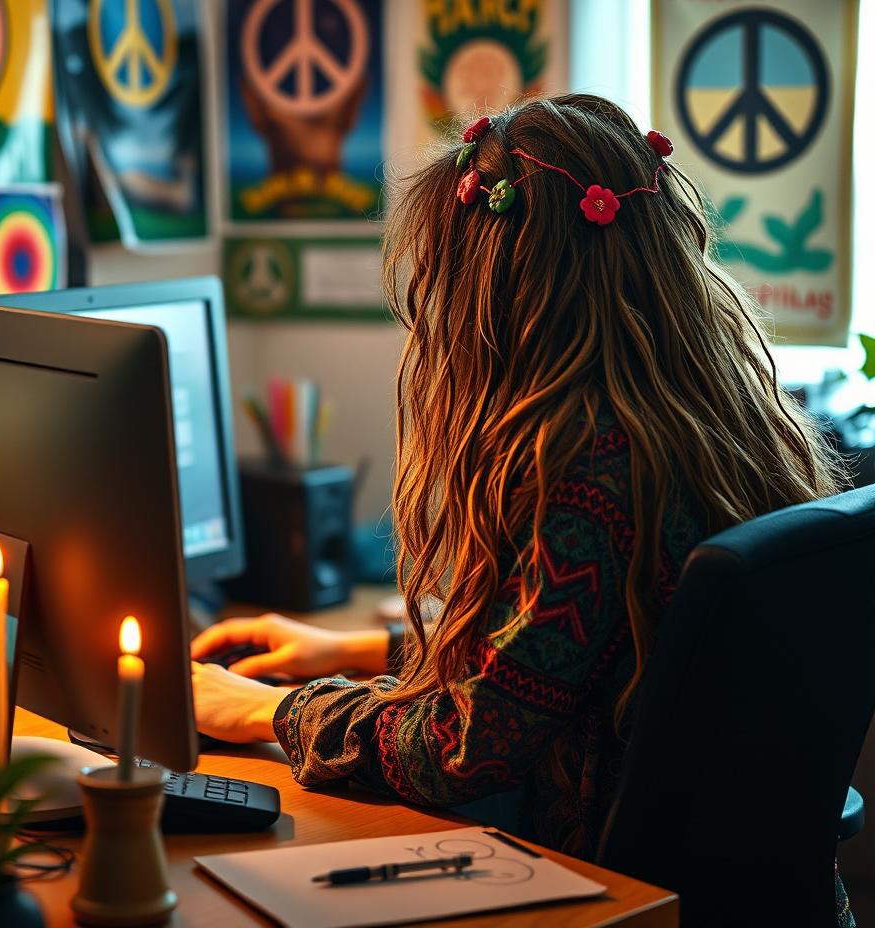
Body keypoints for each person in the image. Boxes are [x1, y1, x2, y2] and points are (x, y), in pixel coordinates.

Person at [190, 94, 850, 920]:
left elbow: (467, 746)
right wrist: (364, 646)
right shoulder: (714, 426)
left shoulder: (589, 471)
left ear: (502, 294)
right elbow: (562, 647)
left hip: (621, 905)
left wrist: (266, 709)